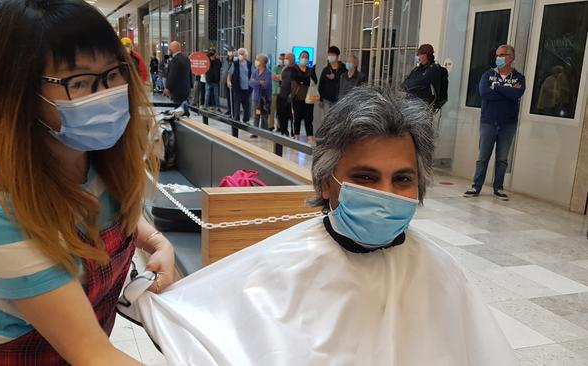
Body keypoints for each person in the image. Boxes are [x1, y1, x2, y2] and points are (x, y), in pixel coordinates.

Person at [122, 87, 518, 366]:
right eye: (365, 178)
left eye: (402, 179)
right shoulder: (279, 267)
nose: (386, 193)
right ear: (326, 182)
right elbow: (208, 331)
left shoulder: (443, 273)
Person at [0, 0, 176, 364]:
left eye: (113, 75)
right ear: (23, 94)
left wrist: (157, 242)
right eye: (79, 82)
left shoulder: (95, 157)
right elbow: (92, 353)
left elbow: (106, 209)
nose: (104, 94)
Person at [464, 44, 525, 201]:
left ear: (511, 57)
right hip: (488, 122)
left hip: (508, 124)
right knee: (483, 157)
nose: (499, 58)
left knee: (502, 159)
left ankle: (498, 188)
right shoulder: (487, 74)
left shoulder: (519, 77)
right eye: (497, 55)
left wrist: (496, 88)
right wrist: (506, 91)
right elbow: (484, 93)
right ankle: (476, 186)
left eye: (502, 55)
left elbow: (517, 93)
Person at [292, 50, 318, 144]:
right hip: (297, 97)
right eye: (303, 56)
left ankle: (310, 137)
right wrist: (305, 80)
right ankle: (296, 136)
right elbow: (296, 79)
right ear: (299, 58)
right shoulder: (294, 69)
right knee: (297, 118)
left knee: (309, 118)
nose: (304, 58)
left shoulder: (310, 70)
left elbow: (315, 80)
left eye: (306, 57)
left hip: (309, 98)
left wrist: (304, 80)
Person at [249, 54, 272, 138]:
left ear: (262, 62)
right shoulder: (255, 71)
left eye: (258, 59)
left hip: (265, 98)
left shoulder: (268, 72)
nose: (256, 61)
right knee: (256, 115)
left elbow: (266, 85)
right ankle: (255, 132)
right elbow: (250, 82)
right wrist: (259, 82)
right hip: (256, 97)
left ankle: (264, 132)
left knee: (264, 116)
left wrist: (255, 81)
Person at [227, 48, 253, 123]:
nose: (240, 55)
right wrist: (228, 81)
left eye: (242, 54)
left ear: (245, 55)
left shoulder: (249, 64)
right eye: (239, 54)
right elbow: (229, 74)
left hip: (247, 88)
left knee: (247, 105)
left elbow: (252, 74)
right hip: (238, 87)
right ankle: (236, 119)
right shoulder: (235, 63)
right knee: (237, 104)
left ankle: (246, 119)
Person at [318, 46, 346, 114]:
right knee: (327, 119)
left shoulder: (344, 69)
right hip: (327, 98)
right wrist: (320, 99)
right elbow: (321, 84)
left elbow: (346, 82)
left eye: (332, 55)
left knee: (337, 119)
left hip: (339, 99)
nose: (330, 56)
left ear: (337, 56)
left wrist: (335, 77)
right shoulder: (326, 69)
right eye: (329, 55)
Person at [164, 41, 192, 105]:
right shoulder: (186, 58)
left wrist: (168, 88)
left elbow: (172, 75)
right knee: (184, 108)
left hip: (177, 90)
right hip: (186, 89)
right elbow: (189, 72)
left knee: (178, 109)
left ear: (173, 49)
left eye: (170, 48)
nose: (169, 50)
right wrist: (190, 85)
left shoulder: (175, 60)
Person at [277, 52, 298, 136]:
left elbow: (296, 83)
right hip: (282, 94)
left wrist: (292, 94)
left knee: (292, 116)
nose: (285, 60)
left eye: (287, 58)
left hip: (290, 96)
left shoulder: (296, 69)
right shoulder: (285, 68)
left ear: (292, 59)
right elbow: (282, 80)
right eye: (285, 58)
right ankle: (283, 131)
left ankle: (294, 132)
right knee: (281, 114)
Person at [270, 53, 285, 131]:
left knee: (280, 111)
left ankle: (279, 126)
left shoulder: (287, 68)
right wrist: (281, 77)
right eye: (280, 58)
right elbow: (274, 77)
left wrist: (279, 77)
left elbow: (286, 79)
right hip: (274, 91)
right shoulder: (275, 68)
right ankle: (271, 126)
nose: (281, 60)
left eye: (282, 59)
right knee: (272, 110)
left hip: (283, 93)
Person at [221, 46, 235, 117]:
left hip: (232, 81)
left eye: (230, 51)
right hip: (225, 81)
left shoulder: (235, 60)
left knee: (233, 97)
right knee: (228, 97)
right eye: (228, 51)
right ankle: (229, 110)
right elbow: (224, 69)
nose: (229, 53)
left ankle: (233, 111)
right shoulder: (226, 60)